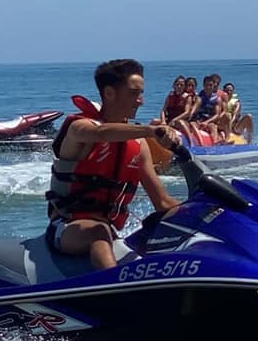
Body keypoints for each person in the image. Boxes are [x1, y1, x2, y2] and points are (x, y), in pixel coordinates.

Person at [45, 58, 182, 270]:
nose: (141, 101)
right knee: (99, 232)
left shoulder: (138, 145)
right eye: (134, 93)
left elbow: (162, 202)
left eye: (141, 93)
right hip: (66, 226)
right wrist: (151, 131)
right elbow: (101, 133)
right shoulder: (79, 129)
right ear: (109, 93)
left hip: (108, 229)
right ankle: (118, 294)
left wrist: (205, 214)